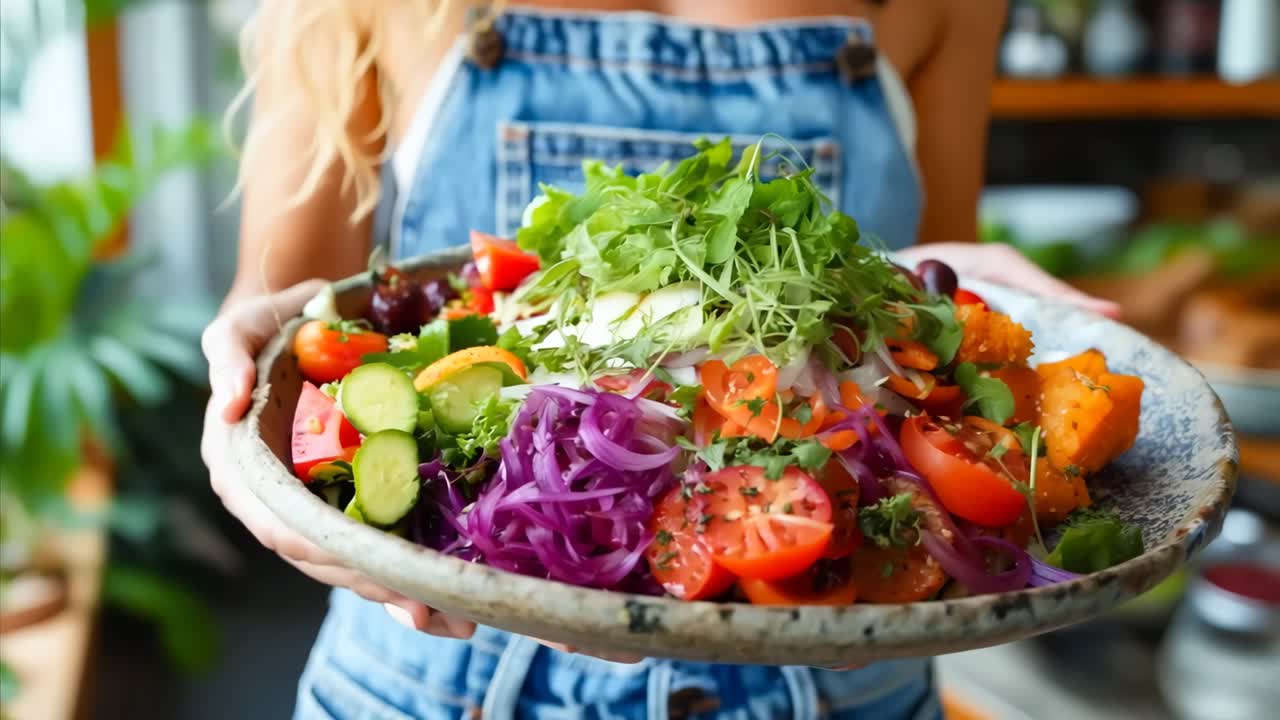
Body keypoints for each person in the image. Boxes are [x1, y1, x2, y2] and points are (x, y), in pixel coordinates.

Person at [201, 1, 1120, 718]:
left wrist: (970, 291)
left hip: (843, 661)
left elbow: (926, 278)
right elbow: (294, 326)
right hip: (439, 679)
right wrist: (245, 422)